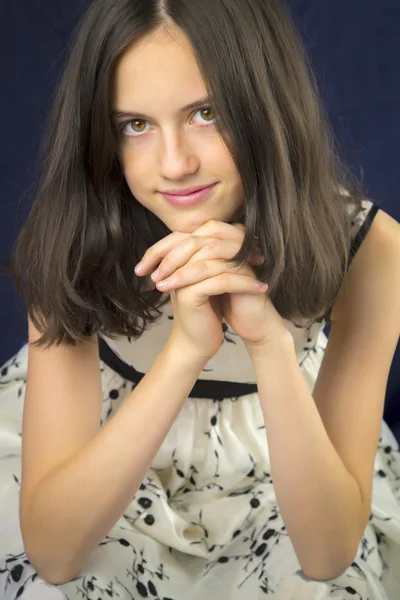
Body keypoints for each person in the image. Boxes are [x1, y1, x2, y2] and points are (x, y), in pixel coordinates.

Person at [0, 0, 399, 598]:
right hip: (99, 465)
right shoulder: (75, 237)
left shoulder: (373, 249)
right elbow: (55, 554)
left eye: (206, 113)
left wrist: (267, 345)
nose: (175, 164)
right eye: (134, 125)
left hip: (280, 469)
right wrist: (186, 352)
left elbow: (327, 554)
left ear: (266, 105)